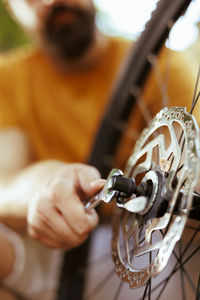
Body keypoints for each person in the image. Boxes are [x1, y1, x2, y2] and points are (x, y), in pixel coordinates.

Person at [0, 0, 199, 299]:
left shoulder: (165, 63)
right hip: (46, 250)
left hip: (153, 250)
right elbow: (5, 179)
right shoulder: (8, 79)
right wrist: (47, 186)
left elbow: (191, 153)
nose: (51, 0)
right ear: (12, 9)